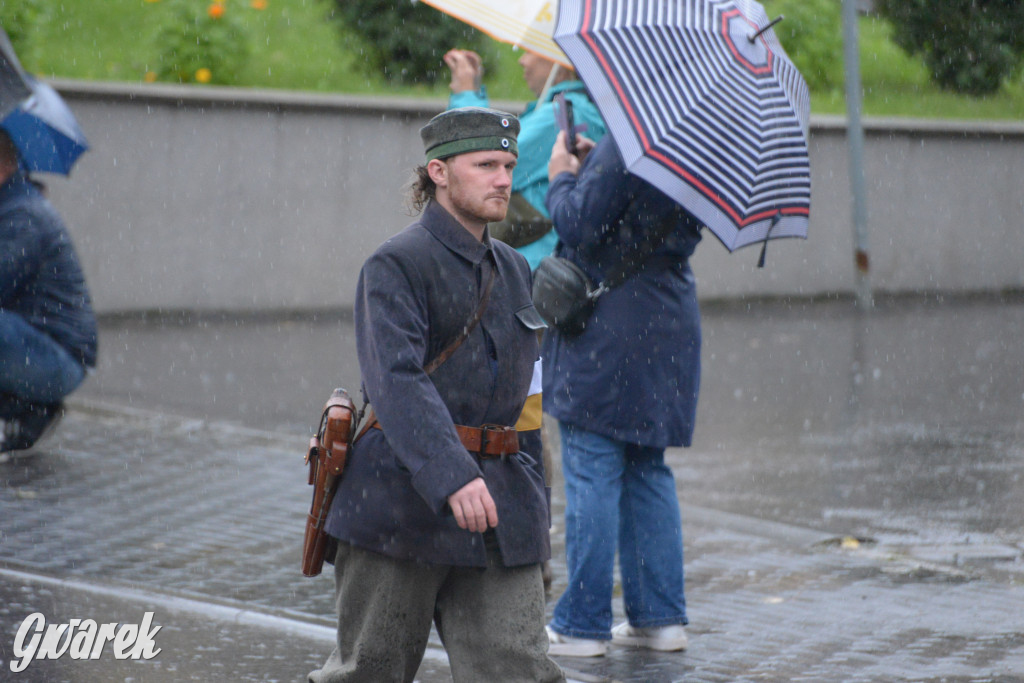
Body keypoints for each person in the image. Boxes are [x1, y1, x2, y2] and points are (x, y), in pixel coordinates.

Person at [308, 107, 563, 683]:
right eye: (485, 165)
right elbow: (395, 380)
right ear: (439, 172)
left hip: (502, 503)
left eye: (508, 165)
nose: (504, 178)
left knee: (518, 671)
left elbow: (529, 395)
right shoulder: (396, 264)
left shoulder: (516, 268)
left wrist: (536, 501)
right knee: (370, 670)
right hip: (400, 500)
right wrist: (452, 474)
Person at [541, 131, 703, 657]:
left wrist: (563, 176)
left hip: (610, 326)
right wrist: (595, 170)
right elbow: (636, 212)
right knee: (646, 469)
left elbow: (580, 224)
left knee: (592, 468)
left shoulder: (638, 135)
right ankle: (659, 620)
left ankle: (582, 625)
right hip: (667, 316)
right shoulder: (699, 144)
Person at [443, 48, 606, 271]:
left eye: (530, 51)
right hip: (544, 262)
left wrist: (466, 95)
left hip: (529, 265)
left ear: (560, 62)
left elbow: (480, 158)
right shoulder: (579, 110)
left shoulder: (556, 116)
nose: (522, 60)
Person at [0, 129, 97, 452]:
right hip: (36, 347)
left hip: (58, 361)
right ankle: (20, 408)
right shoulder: (12, 206)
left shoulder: (23, 217)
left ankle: (28, 410)